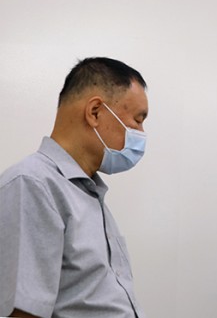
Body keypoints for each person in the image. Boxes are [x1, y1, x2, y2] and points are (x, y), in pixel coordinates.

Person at [0, 57, 148, 318]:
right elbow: (22, 312)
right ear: (95, 112)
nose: (141, 132)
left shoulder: (87, 192)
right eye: (137, 119)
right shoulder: (33, 185)